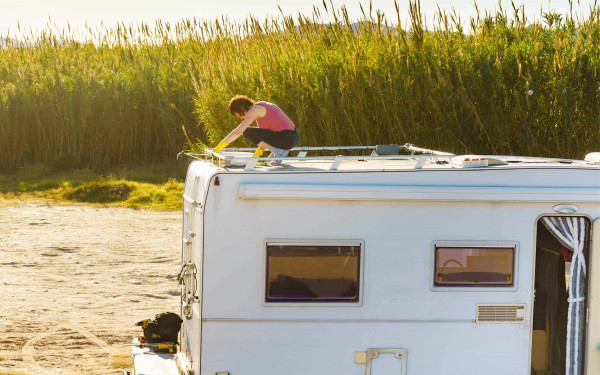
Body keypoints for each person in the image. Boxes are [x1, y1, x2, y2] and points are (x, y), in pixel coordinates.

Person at [212, 95, 299, 165]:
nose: (241, 117)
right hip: (292, 137)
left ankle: (278, 151)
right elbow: (264, 138)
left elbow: (238, 131)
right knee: (251, 132)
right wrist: (257, 154)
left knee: (246, 132)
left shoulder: (254, 110)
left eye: (239, 115)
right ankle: (278, 151)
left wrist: (220, 146)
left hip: (286, 137)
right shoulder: (260, 106)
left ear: (242, 108)